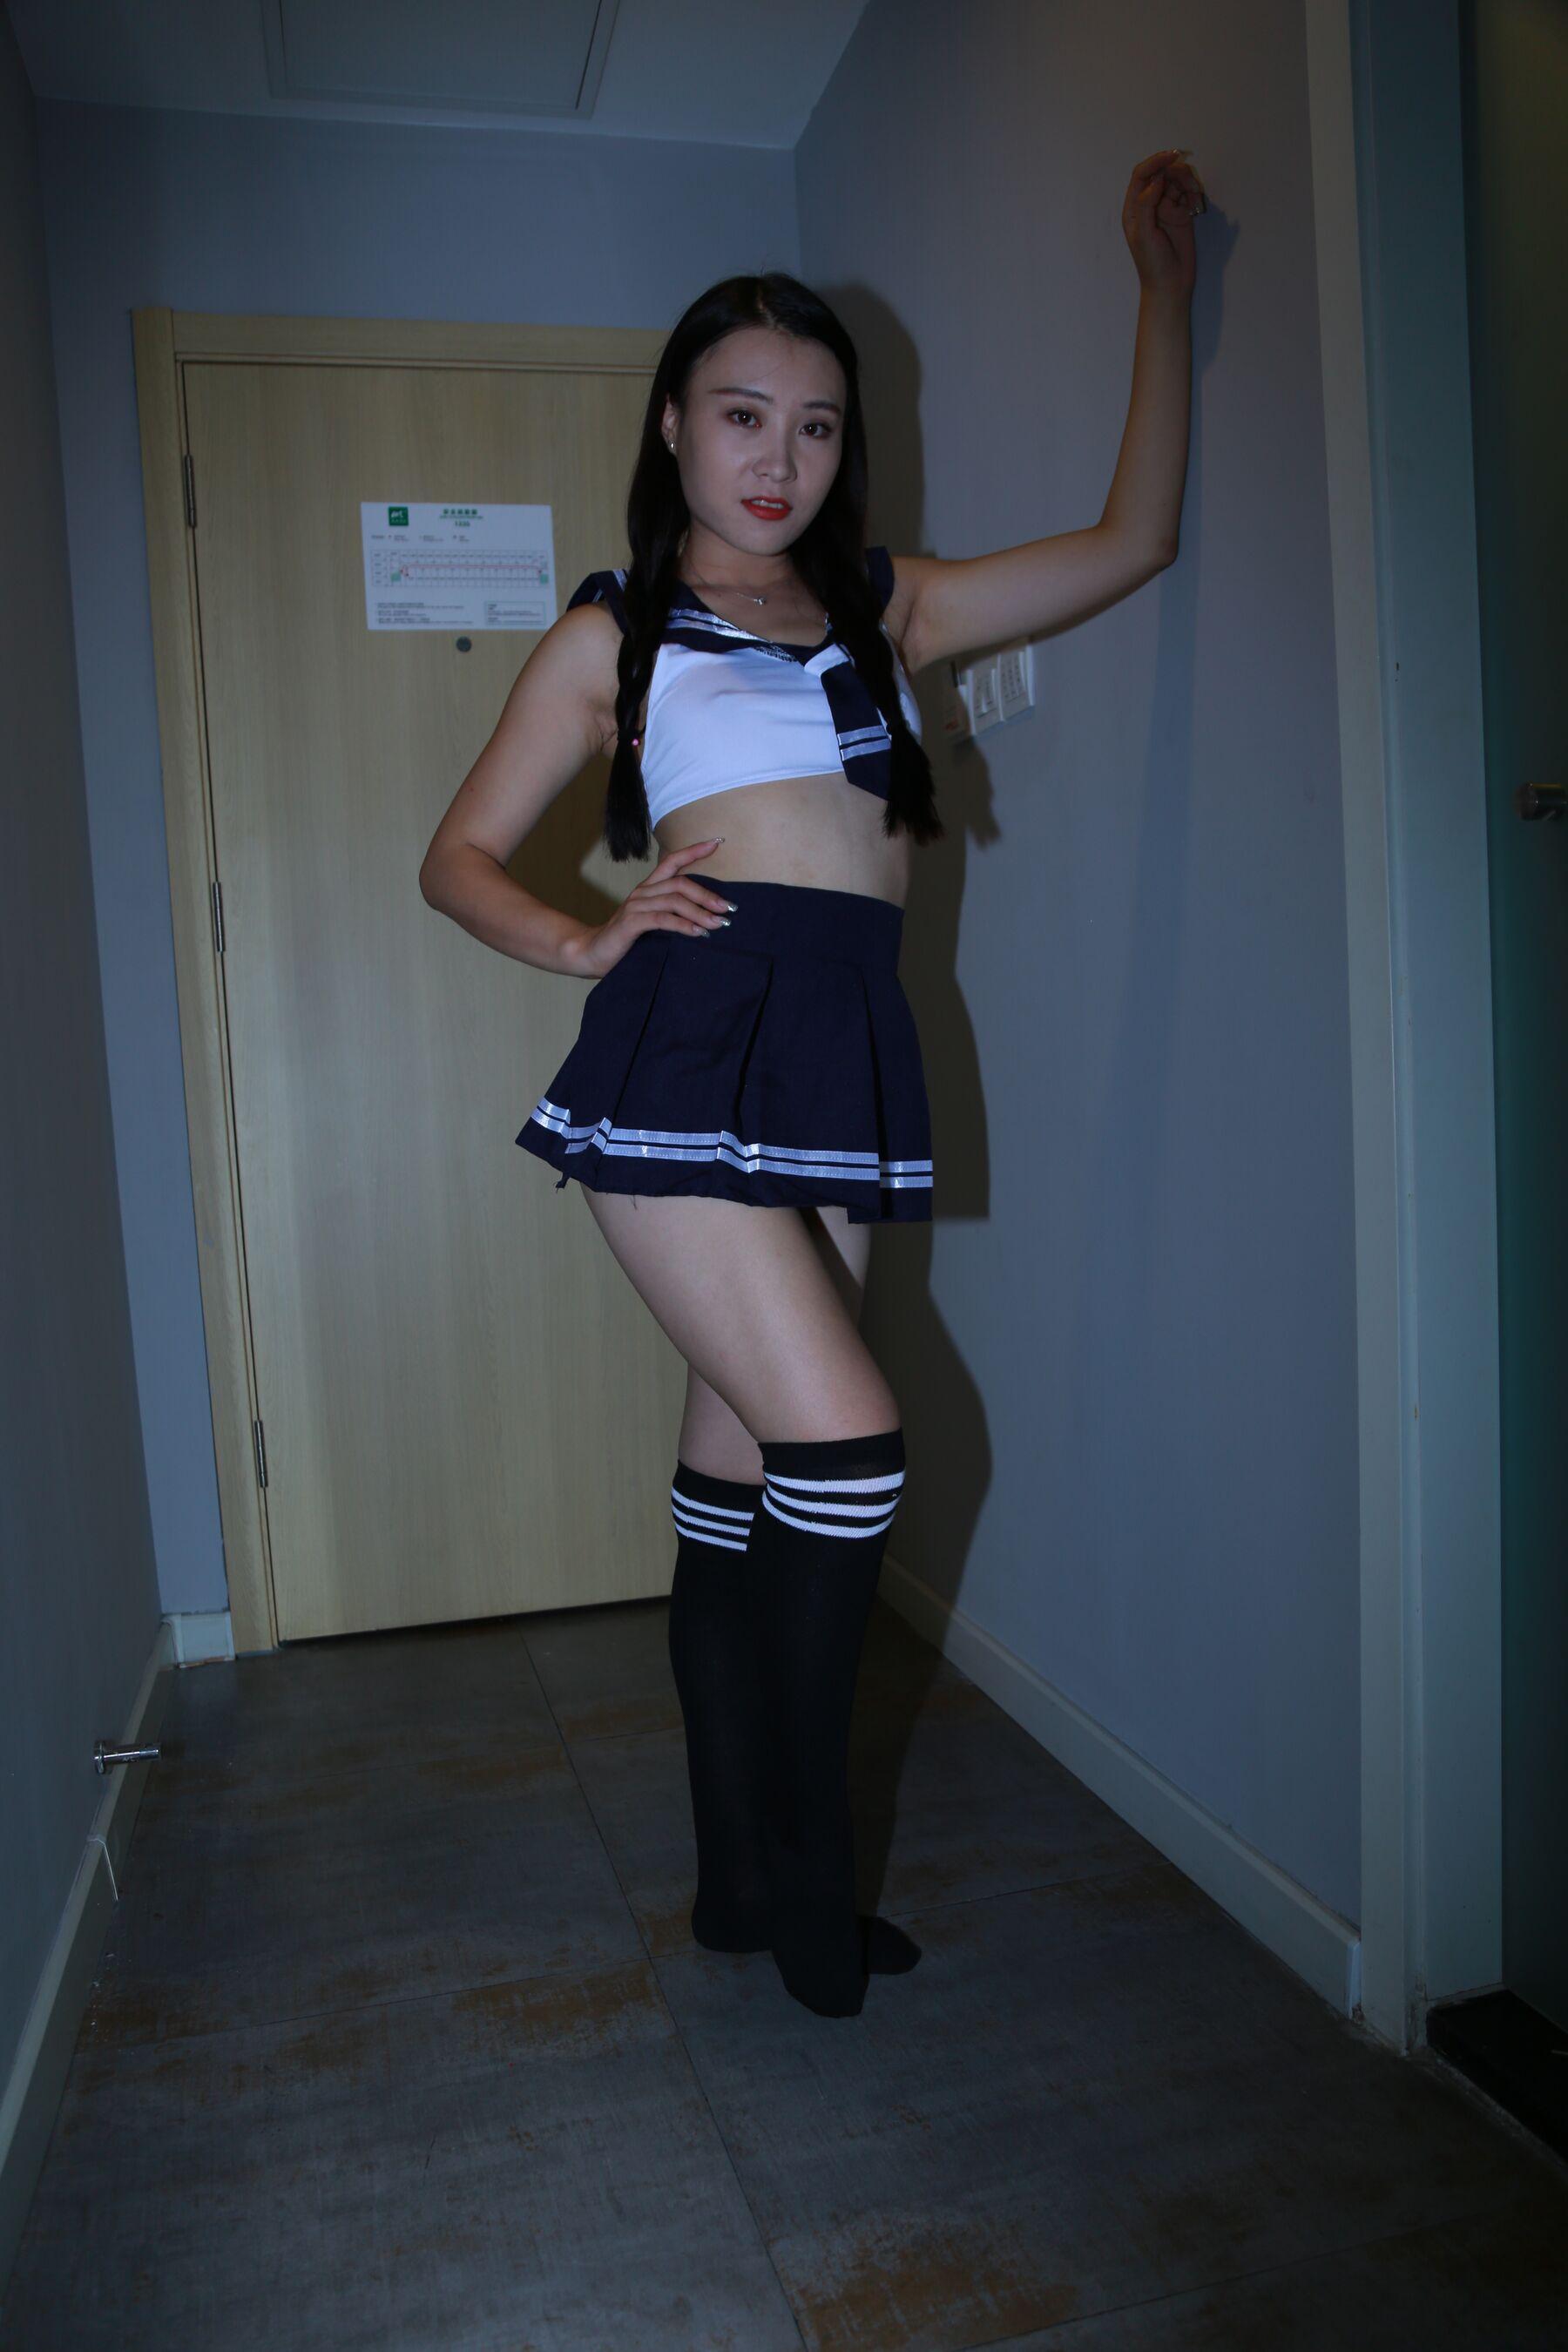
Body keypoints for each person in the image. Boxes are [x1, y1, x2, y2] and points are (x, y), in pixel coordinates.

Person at [419, 151, 1203, 2017]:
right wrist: (585, 942)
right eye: (743, 413)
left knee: (744, 1471)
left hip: (843, 1050)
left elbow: (1133, 542)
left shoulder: (885, 609)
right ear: (674, 425)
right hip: (691, 1044)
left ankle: (727, 1883)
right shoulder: (614, 631)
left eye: (818, 425)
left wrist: (1165, 291)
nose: (780, 456)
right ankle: (806, 1890)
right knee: (848, 1453)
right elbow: (456, 857)